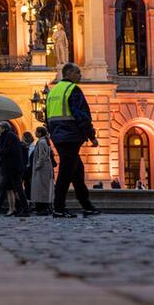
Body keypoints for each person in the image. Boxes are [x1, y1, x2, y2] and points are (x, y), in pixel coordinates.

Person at [45, 62, 99, 218]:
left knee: (77, 170)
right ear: (68, 74)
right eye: (77, 72)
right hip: (71, 136)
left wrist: (53, 134)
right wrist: (91, 136)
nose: (80, 75)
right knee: (65, 173)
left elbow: (47, 118)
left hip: (58, 136)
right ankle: (58, 207)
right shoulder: (72, 90)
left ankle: (86, 205)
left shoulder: (53, 92)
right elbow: (81, 115)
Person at [0, 122, 28, 217]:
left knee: (18, 189)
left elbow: (11, 150)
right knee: (8, 189)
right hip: (9, 167)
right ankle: (11, 209)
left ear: (3, 128)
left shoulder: (10, 136)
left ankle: (24, 209)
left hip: (13, 167)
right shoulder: (8, 136)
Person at [31, 126, 55, 215]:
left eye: (36, 132)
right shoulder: (45, 141)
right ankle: (44, 208)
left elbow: (42, 156)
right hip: (45, 167)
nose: (35, 133)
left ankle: (43, 209)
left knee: (41, 188)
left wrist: (37, 166)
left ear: (40, 133)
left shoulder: (41, 142)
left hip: (42, 168)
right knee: (43, 187)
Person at [22, 131, 35, 204]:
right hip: (25, 169)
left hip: (30, 169)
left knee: (29, 184)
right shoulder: (23, 147)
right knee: (27, 184)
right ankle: (27, 199)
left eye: (23, 137)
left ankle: (29, 199)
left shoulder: (33, 147)